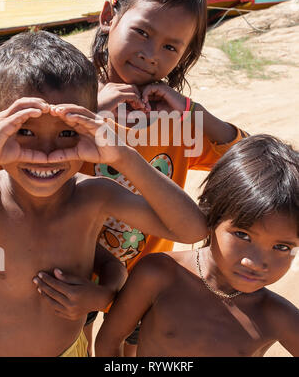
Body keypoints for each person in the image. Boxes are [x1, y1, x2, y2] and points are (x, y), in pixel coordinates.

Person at [0, 31, 208, 357]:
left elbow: (192, 229)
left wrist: (122, 154)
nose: (46, 152)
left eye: (67, 133)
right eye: (23, 131)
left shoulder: (93, 197)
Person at [88, 0, 249, 354]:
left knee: (126, 353)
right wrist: (90, 108)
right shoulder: (70, 95)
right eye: (142, 32)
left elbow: (245, 162)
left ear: (185, 54)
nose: (149, 54)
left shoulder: (173, 119)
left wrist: (197, 114)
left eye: (170, 47)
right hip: (74, 276)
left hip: (144, 282)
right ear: (110, 15)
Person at [96, 134, 299, 357]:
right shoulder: (158, 274)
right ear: (210, 215)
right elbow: (109, 342)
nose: (254, 262)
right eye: (242, 234)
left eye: (282, 247)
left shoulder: (277, 316)